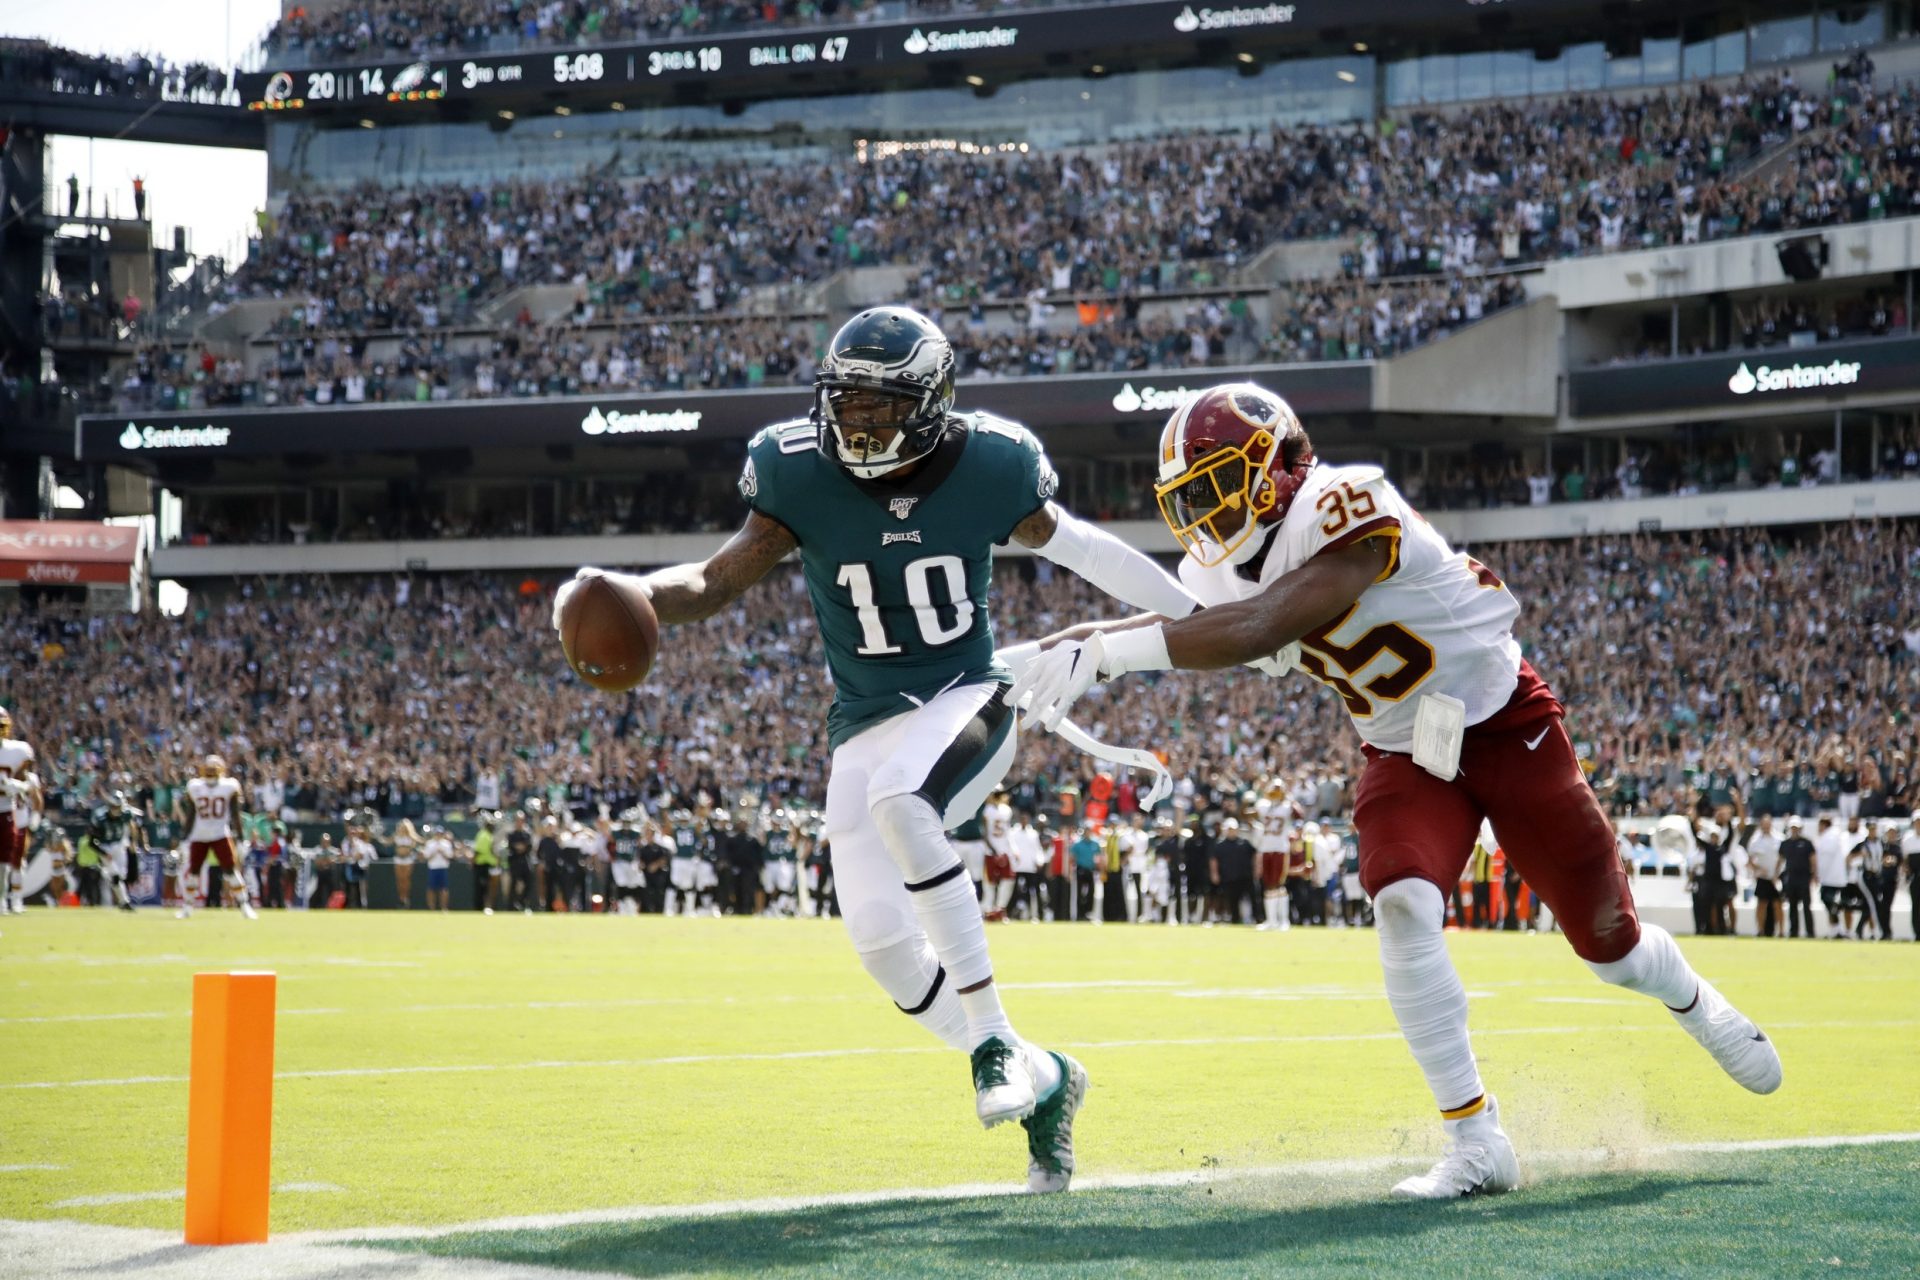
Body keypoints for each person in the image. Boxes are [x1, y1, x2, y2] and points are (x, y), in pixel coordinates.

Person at [1014, 380, 1781, 1199]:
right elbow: (1179, 609)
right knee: (1404, 902)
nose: (1202, 512)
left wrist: (1104, 654)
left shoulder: (1346, 502)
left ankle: (1695, 1003)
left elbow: (1261, 626)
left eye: (1213, 485)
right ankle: (1476, 1140)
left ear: (1274, 466)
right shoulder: (1228, 558)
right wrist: (1058, 642)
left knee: (1611, 950)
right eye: (1188, 496)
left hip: (1504, 724)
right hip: (1402, 750)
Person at [552, 307, 1199, 1192]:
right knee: (884, 948)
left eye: (877, 405)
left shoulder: (991, 462)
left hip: (965, 695)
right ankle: (1049, 1081)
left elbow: (1087, 552)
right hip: (864, 722)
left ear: (932, 401)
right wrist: (639, 594)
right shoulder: (794, 472)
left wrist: (1205, 623)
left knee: (905, 802)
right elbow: (713, 579)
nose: (856, 423)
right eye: (845, 403)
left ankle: (994, 1047)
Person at [174, 755, 255, 919]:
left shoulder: (208, 786)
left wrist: (240, 838)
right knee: (196, 871)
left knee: (229, 870)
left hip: (217, 834)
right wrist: (184, 839)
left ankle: (244, 906)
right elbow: (192, 815)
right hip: (202, 834)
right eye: (209, 771)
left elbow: (234, 815)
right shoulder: (219, 786)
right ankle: (188, 907)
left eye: (213, 771)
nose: (210, 774)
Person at [0, 706, 33, 914]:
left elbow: (31, 782)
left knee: (5, 861)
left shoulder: (18, 750)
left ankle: (3, 901)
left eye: (1, 726)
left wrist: (16, 786)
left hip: (6, 811)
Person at [89, 790, 144, 912]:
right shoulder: (100, 817)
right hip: (105, 847)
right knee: (115, 876)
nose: (117, 809)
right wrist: (103, 853)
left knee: (121, 875)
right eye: (115, 806)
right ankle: (124, 902)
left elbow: (132, 825)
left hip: (119, 845)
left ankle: (122, 901)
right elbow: (91, 842)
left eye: (119, 806)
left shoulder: (125, 814)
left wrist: (132, 841)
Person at [1814, 816, 1851, 938]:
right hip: (1832, 878)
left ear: (1824, 825)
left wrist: (1818, 874)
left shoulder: (1829, 837)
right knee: (1830, 903)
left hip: (1831, 878)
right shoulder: (1832, 836)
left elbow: (1824, 858)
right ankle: (1836, 929)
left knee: (1831, 902)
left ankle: (1837, 930)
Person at [1747, 815, 1784, 937]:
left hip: (1776, 877)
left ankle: (1781, 931)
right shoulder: (1755, 840)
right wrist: (1758, 869)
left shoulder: (1779, 838)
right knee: (1761, 904)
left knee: (1777, 904)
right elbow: (1750, 859)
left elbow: (1782, 858)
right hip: (1763, 877)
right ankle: (1760, 930)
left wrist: (1777, 874)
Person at [1779, 816, 1816, 938]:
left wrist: (1814, 875)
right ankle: (1793, 932)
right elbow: (1780, 860)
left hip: (1804, 878)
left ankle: (1810, 932)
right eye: (1792, 827)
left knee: (1806, 907)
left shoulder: (1807, 843)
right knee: (1792, 907)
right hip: (1791, 878)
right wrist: (1775, 874)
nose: (1794, 830)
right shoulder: (1785, 843)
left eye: (1796, 828)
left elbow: (1813, 860)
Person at [422, 824, 457, 911]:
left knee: (444, 889)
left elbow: (450, 856)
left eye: (440, 833)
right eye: (437, 833)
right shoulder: (430, 844)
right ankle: (431, 907)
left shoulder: (446, 844)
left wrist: (442, 852)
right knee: (431, 889)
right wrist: (434, 852)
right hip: (433, 868)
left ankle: (444, 907)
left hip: (443, 868)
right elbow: (426, 857)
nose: (438, 835)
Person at [505, 813, 535, 913]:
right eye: (518, 820)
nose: (520, 823)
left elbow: (528, 847)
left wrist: (521, 847)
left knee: (529, 883)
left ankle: (523, 903)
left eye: (521, 820)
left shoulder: (527, 834)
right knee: (513, 884)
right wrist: (520, 847)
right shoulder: (511, 834)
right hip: (514, 862)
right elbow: (512, 847)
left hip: (525, 862)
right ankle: (511, 906)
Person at [471, 812, 499, 913]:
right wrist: (473, 862)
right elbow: (478, 851)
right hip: (482, 865)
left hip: (486, 865)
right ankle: (480, 908)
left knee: (485, 888)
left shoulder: (487, 834)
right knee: (481, 889)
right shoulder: (484, 835)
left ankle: (483, 907)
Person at [391, 817, 421, 909]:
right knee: (399, 880)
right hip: (398, 859)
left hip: (408, 859)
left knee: (406, 880)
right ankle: (401, 899)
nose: (403, 828)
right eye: (401, 826)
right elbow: (386, 842)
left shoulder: (412, 836)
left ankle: (406, 899)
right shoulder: (396, 836)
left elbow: (421, 840)